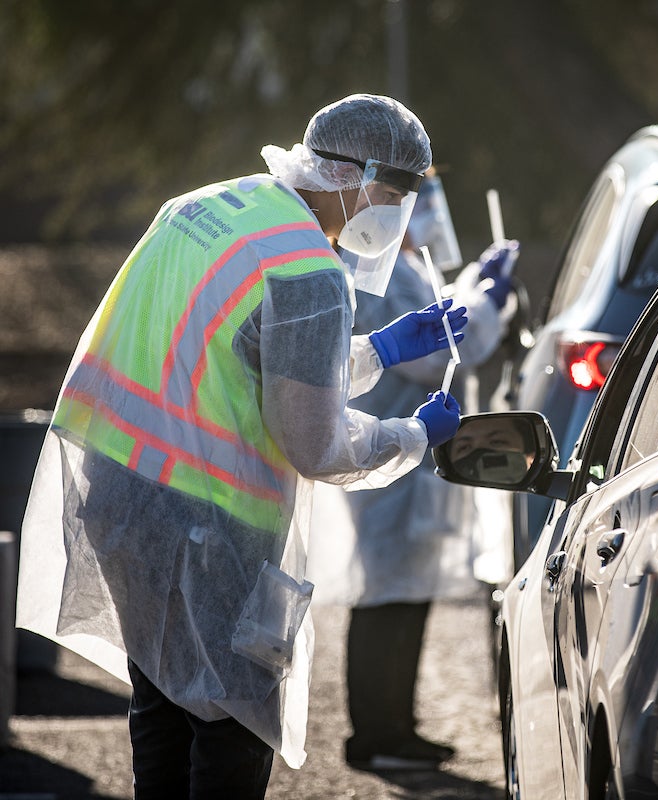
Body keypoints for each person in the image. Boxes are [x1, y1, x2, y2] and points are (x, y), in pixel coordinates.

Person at [15, 93, 467, 798]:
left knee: (161, 703)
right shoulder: (310, 270)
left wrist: (376, 350)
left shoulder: (208, 207)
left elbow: (243, 349)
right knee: (233, 728)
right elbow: (314, 442)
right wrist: (414, 436)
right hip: (213, 524)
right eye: (394, 194)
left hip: (118, 491)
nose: (393, 213)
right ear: (357, 178)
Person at [324, 171, 520, 771]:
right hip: (388, 455)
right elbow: (436, 349)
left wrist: (472, 289)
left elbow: (439, 313)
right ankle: (375, 736)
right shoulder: (371, 270)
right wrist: (484, 298)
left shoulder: (399, 264)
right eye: (412, 199)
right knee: (385, 597)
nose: (428, 211)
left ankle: (397, 730)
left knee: (407, 596)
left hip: (409, 459)